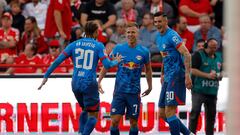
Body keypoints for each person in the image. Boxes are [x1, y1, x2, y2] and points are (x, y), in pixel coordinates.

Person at [38, 21, 122, 135]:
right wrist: (116, 62)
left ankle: (80, 132)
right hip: (89, 82)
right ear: (96, 32)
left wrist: (46, 75)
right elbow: (107, 65)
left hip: (75, 82)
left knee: (85, 110)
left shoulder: (74, 44)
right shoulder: (98, 45)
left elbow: (58, 60)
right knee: (93, 115)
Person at [98, 22, 153, 135]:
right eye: (128, 32)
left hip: (134, 93)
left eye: (133, 32)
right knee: (114, 121)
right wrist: (99, 80)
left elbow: (148, 69)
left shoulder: (144, 52)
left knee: (133, 123)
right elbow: (107, 64)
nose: (130, 34)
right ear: (125, 34)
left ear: (137, 33)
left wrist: (150, 86)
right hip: (119, 92)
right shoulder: (119, 48)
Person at [153, 12, 193, 135]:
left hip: (176, 75)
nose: (158, 24)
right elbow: (165, 57)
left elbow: (186, 54)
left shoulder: (172, 36)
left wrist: (187, 75)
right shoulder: (158, 37)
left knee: (170, 111)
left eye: (160, 21)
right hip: (167, 77)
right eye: (156, 22)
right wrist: (162, 73)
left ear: (166, 22)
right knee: (162, 113)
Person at [189, 38, 223, 135]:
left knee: (211, 116)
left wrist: (219, 75)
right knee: (195, 113)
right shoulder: (198, 55)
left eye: (215, 48)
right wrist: (208, 75)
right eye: (211, 47)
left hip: (212, 91)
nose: (213, 50)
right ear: (206, 46)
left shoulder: (219, 57)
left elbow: (221, 72)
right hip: (198, 89)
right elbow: (193, 70)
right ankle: (191, 133)